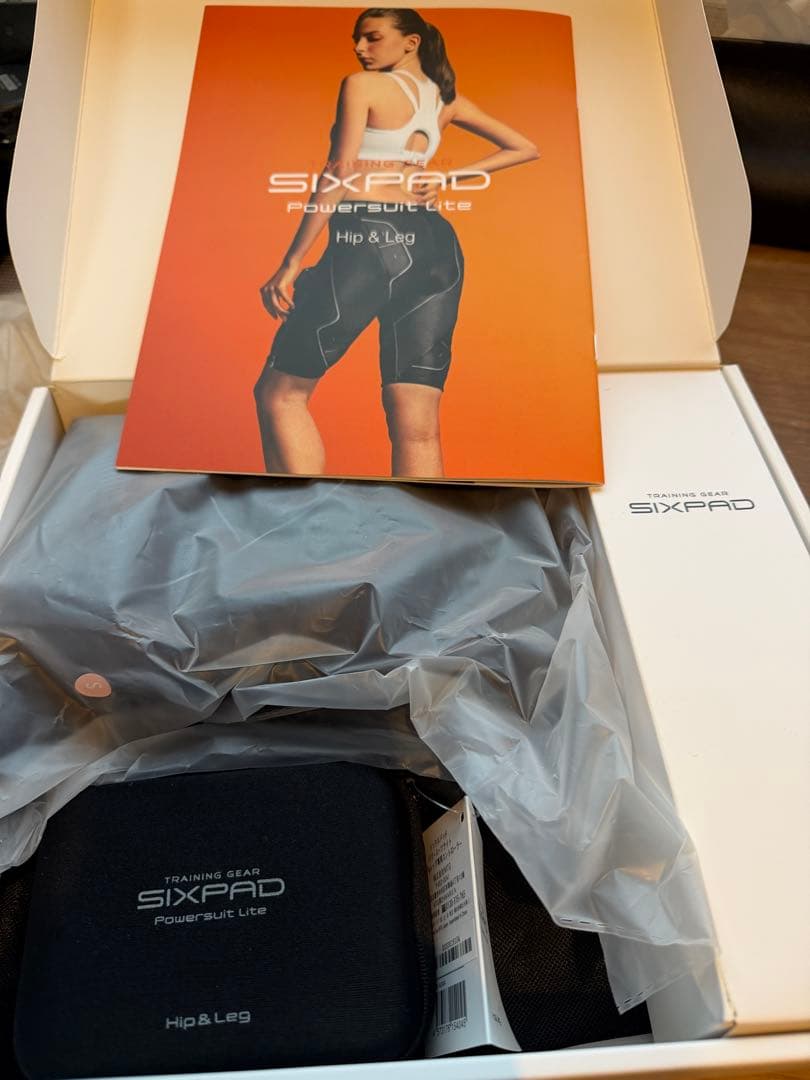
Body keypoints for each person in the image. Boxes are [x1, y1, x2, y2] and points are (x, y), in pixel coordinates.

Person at [255, 7, 539, 478]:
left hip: (368, 238)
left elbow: (340, 170)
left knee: (280, 395)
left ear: (411, 42)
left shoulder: (362, 85)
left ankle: (302, 519)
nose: (360, 48)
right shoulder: (445, 100)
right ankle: (424, 526)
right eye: (356, 40)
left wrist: (292, 261)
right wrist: (448, 177)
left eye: (372, 37)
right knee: (418, 428)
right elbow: (526, 147)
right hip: (437, 248)